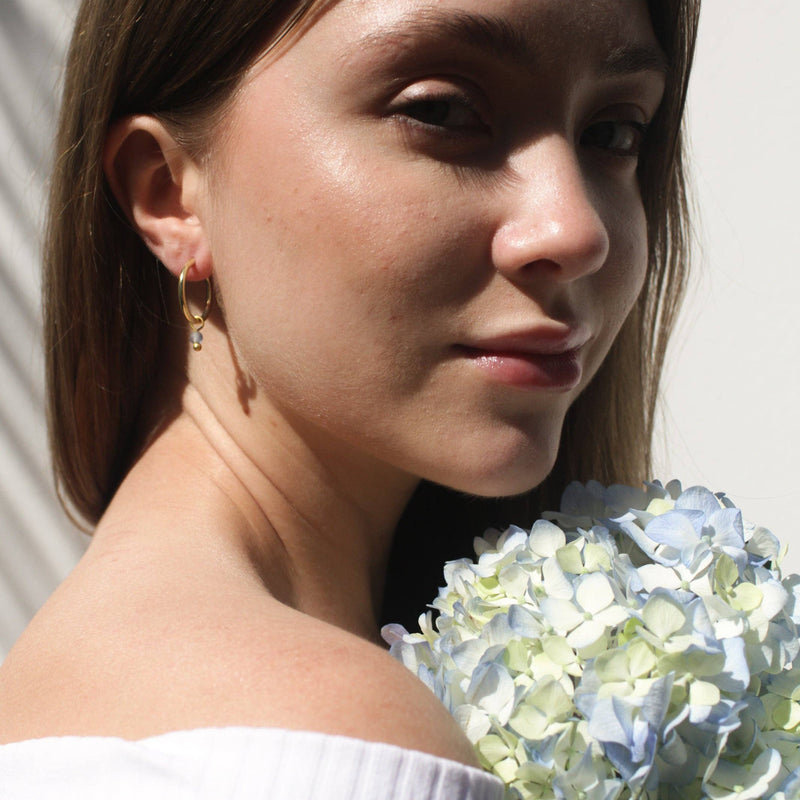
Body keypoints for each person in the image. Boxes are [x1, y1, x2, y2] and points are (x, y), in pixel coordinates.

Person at [0, 0, 699, 796]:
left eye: (613, 132)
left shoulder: (85, 678)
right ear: (170, 195)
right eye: (442, 111)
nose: (577, 231)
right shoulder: (321, 736)